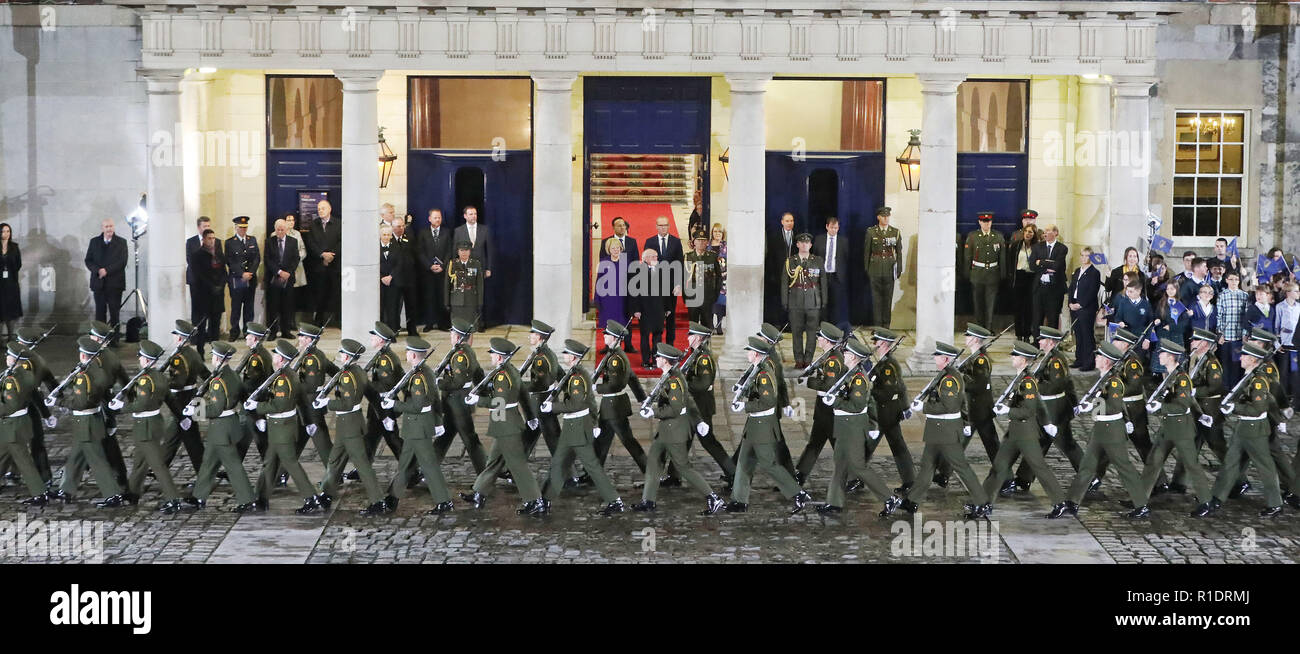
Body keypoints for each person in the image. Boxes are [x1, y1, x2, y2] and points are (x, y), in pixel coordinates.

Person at [892, 341, 991, 520]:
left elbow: (950, 406)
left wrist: (923, 407)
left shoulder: (950, 379)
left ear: (945, 359)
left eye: (937, 356)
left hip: (946, 431)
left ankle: (982, 503)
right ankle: (912, 500)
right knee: (927, 466)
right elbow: (961, 404)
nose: (935, 359)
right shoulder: (945, 375)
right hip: (937, 430)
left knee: (961, 467)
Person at [1058, 342, 1151, 519]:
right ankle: (1072, 502)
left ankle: (1141, 504)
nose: (1096, 358)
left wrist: (1093, 406)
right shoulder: (1104, 378)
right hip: (1100, 429)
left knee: (1124, 467)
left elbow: (1114, 405)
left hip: (1112, 430)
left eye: (1099, 356)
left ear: (1107, 361)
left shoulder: (1114, 382)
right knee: (1086, 466)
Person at [981, 340, 1070, 519]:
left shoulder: (1028, 382)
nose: (1012, 357)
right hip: (1015, 432)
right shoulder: (1021, 377)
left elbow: (1029, 410)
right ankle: (982, 503)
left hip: (1025, 432)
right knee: (998, 467)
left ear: (1023, 360)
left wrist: (1008, 411)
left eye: (1016, 355)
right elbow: (1040, 403)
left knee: (1039, 467)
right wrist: (1047, 423)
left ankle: (1060, 502)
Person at [724, 337, 812, 514]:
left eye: (749, 351)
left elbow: (768, 402)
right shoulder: (758, 369)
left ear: (756, 354)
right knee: (744, 461)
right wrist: (742, 390)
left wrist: (744, 406)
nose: (747, 354)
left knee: (768, 464)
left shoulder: (764, 375)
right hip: (754, 424)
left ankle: (798, 494)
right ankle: (739, 500)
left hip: (761, 425)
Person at [633, 343, 723, 515]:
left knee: (683, 467)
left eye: (659, 357)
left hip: (674, 430)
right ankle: (648, 500)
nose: (656, 359)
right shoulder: (671, 376)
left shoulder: (674, 381)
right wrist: (698, 420)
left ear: (665, 360)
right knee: (653, 461)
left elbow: (675, 409)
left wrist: (653, 411)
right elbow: (688, 399)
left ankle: (713, 497)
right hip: (666, 430)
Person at [538, 338, 625, 515]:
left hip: (577, 427)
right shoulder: (573, 374)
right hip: (572, 427)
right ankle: (545, 500)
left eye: (567, 353)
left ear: (574, 357)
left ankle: (614, 500)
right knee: (558, 463)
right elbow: (591, 402)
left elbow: (577, 405)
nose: (564, 356)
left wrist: (553, 407)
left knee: (591, 466)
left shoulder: (577, 378)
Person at [814, 337, 900, 516]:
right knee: (840, 465)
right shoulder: (849, 373)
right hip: (844, 426)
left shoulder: (859, 379)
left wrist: (834, 401)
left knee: (859, 466)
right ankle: (834, 502)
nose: (843, 355)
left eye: (846, 353)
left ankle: (889, 498)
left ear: (853, 357)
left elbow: (857, 406)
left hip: (853, 427)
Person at [242, 339, 328, 514]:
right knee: (269, 463)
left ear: (281, 359)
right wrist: (308, 421)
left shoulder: (283, 380)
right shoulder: (286, 374)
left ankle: (311, 498)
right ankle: (260, 498)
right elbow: (303, 402)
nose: (273, 356)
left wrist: (256, 407)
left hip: (282, 428)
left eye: (276, 354)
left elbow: (278, 406)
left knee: (290, 464)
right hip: (278, 428)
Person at [461, 338, 546, 515]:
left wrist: (479, 400)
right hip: (504, 422)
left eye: (493, 354)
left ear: (499, 357)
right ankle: (479, 493)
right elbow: (523, 393)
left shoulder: (501, 376)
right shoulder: (511, 371)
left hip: (507, 424)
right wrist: (530, 416)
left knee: (517, 465)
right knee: (493, 462)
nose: (491, 357)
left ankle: (535, 501)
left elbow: (499, 402)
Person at [44, 337, 127, 508]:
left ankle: (113, 494)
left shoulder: (84, 377)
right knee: (76, 457)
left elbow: (80, 404)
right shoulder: (97, 371)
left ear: (84, 355)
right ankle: (66, 489)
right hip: (93, 420)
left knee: (97, 460)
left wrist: (58, 402)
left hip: (85, 421)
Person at [1207, 342, 1287, 517]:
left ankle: (1275, 504)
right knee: (1230, 463)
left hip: (1255, 429)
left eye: (1244, 356)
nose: (1240, 358)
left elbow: (1258, 408)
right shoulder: (1249, 376)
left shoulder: (1258, 381)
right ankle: (1216, 498)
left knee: (1265, 467)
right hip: (1243, 427)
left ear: (1252, 359)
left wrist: (1235, 408)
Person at [312, 339, 387, 516]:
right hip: (348, 424)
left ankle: (378, 501)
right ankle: (326, 493)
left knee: (362, 465)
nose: (340, 356)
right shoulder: (358, 371)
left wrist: (327, 402)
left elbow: (348, 402)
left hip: (350, 425)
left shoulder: (347, 376)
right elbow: (371, 394)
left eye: (342, 353)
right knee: (334, 460)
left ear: (347, 355)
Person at [1140, 339, 1215, 518]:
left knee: (1192, 465)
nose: (1159, 355)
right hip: (1168, 426)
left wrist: (1160, 408)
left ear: (1171, 357)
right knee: (1153, 461)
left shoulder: (1181, 379)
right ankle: (1139, 501)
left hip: (1181, 427)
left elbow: (1182, 404)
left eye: (1162, 353)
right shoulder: (1170, 374)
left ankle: (1206, 501)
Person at [111, 340, 188, 514]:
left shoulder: (146, 380)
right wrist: (181, 416)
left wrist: (120, 408)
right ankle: (132, 492)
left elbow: (141, 405)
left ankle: (173, 498)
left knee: (157, 465)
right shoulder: (159, 376)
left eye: (141, 357)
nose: (139, 360)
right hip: (152, 423)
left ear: (146, 360)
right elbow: (170, 399)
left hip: (146, 425)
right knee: (140, 461)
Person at [382, 336, 454, 515]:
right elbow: (435, 399)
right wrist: (438, 422)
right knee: (405, 466)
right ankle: (391, 498)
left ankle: (444, 501)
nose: (405, 354)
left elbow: (419, 405)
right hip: (415, 428)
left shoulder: (418, 378)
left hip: (418, 428)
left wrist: (394, 405)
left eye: (407, 352)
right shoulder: (424, 372)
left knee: (428, 466)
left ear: (413, 355)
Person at [590, 321, 649, 474]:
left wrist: (596, 387)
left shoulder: (617, 359)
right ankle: (592, 472)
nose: (604, 336)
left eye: (608, 335)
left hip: (615, 406)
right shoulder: (612, 354)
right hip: (609, 405)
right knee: (601, 440)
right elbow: (632, 377)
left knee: (628, 440)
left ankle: (649, 469)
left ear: (615, 339)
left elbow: (615, 385)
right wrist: (642, 397)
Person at [433, 320, 488, 475]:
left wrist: (439, 382)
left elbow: (458, 382)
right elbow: (478, 373)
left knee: (470, 439)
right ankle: (426, 470)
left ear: (457, 337)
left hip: (457, 402)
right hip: (455, 402)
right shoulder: (466, 351)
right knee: (444, 437)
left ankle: (484, 475)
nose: (450, 336)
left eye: (452, 334)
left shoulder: (460, 355)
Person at [0, 344, 52, 506]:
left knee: (24, 462)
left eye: (8, 355)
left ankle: (39, 493)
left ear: (15, 360)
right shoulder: (27, 374)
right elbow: (34, 395)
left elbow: (11, 405)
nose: (5, 357)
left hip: (12, 426)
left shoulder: (12, 379)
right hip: (20, 424)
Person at [867, 328, 915, 492]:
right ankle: (910, 480)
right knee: (897, 445)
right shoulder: (883, 362)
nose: (874, 344)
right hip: (888, 411)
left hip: (885, 412)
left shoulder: (889, 365)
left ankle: (856, 476)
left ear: (885, 344)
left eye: (877, 342)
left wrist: (869, 392)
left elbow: (890, 390)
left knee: (869, 444)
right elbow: (901, 387)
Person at [783, 233, 827, 369]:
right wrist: (785, 301)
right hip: (795, 301)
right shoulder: (790, 261)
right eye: (801, 243)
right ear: (797, 245)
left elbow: (823, 282)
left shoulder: (817, 261)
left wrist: (824, 299)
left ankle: (808, 359)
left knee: (811, 333)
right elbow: (784, 283)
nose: (804, 245)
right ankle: (799, 359)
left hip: (813, 301)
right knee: (796, 333)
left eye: (807, 243)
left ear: (811, 245)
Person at [84, 219, 128, 344]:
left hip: (115, 284)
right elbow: (88, 260)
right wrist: (98, 270)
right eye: (106, 226)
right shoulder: (94, 242)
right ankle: (100, 339)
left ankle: (114, 340)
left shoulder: (121, 242)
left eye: (111, 226)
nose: (109, 228)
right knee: (100, 313)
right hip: (99, 283)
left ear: (114, 227)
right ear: (102, 228)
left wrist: (107, 270)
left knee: (115, 313)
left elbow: (122, 262)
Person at [643, 215, 684, 346]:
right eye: (660, 225)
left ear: (669, 226)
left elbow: (680, 264)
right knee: (657, 315)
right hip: (655, 286)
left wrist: (678, 284)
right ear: (656, 226)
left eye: (665, 225)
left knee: (671, 317)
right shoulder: (650, 241)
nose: (663, 228)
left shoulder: (676, 242)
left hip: (671, 285)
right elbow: (646, 264)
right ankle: (657, 345)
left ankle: (670, 345)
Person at [631, 248, 674, 367]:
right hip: (644, 310)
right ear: (646, 258)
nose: (656, 259)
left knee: (658, 336)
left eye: (656, 256)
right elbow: (634, 292)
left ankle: (656, 360)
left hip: (659, 309)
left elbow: (666, 290)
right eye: (654, 257)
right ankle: (645, 360)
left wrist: (668, 307)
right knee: (645, 336)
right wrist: (636, 310)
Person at [963, 211, 1006, 330]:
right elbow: (967, 256)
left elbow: (1002, 256)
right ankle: (979, 327)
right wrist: (967, 273)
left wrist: (1003, 273)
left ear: (991, 222)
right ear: (979, 222)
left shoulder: (998, 236)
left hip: (993, 273)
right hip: (977, 273)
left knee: (990, 303)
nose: (986, 224)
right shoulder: (973, 236)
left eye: (988, 222)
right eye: (983, 221)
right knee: (977, 302)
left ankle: (989, 327)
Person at [185, 216, 220, 353]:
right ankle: (197, 336)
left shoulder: (216, 242)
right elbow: (190, 261)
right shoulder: (191, 242)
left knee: (212, 312)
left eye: (208, 225)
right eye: (205, 226)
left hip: (212, 285)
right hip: (196, 282)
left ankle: (211, 338)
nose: (207, 228)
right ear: (199, 227)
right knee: (198, 311)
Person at [188, 228, 227, 348]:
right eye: (209, 238)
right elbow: (198, 275)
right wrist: (212, 286)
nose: (212, 241)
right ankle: (200, 350)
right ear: (204, 239)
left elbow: (224, 272)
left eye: (213, 238)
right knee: (201, 325)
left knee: (215, 324)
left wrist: (220, 286)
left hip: (217, 295)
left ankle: (216, 350)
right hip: (203, 296)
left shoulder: (219, 255)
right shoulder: (197, 256)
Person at [865, 206, 903, 328]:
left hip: (889, 268)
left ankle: (886, 327)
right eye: (883, 216)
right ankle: (877, 328)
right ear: (878, 217)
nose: (886, 218)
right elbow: (867, 252)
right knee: (876, 301)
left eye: (888, 216)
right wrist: (867, 268)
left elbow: (899, 252)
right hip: (875, 269)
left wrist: (899, 269)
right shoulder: (871, 231)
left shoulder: (895, 232)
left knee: (887, 300)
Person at [306, 199, 341, 327]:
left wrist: (331, 255)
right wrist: (322, 255)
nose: (320, 210)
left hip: (335, 265)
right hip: (319, 266)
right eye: (319, 208)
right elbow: (311, 243)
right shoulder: (313, 225)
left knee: (337, 293)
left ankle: (339, 320)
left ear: (329, 209)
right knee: (319, 294)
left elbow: (342, 241)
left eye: (323, 208)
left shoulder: (338, 223)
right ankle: (319, 320)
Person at [224, 215, 260, 340]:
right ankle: (234, 331)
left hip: (250, 279)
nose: (243, 230)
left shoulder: (252, 240)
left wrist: (250, 273)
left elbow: (256, 258)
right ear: (236, 228)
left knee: (249, 308)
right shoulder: (229, 242)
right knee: (236, 307)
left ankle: (248, 331)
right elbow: (230, 261)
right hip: (237, 280)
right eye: (241, 227)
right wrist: (241, 274)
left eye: (245, 227)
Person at [417, 208, 452, 331]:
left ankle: (442, 323)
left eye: (439, 217)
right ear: (429, 219)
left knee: (442, 298)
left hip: (442, 272)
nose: (438, 220)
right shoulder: (423, 233)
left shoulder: (447, 232)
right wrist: (429, 266)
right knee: (429, 297)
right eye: (435, 217)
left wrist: (442, 266)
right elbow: (420, 252)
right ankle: (429, 323)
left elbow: (449, 251)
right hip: (428, 272)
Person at [1030, 223, 1068, 337]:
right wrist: (1048, 265)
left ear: (1056, 233)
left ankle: (1051, 343)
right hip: (1040, 287)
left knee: (1053, 317)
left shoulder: (1062, 248)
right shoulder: (1037, 247)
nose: (1045, 233)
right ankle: (1037, 342)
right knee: (1037, 317)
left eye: (1048, 230)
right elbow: (1032, 265)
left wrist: (1040, 262)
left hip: (1054, 288)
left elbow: (1057, 266)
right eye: (1045, 231)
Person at [814, 216, 851, 332]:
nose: (834, 230)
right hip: (823, 276)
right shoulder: (819, 239)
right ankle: (823, 326)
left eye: (836, 228)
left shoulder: (843, 241)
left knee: (836, 302)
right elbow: (814, 256)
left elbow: (846, 258)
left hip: (836, 276)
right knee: (823, 302)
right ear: (827, 227)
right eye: (831, 227)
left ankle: (834, 328)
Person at [264, 218, 299, 340]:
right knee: (273, 307)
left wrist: (288, 272)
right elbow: (268, 260)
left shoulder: (293, 242)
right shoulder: (269, 242)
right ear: (275, 230)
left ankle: (286, 331)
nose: (280, 232)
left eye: (282, 229)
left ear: (286, 230)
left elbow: (296, 259)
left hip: (288, 280)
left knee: (287, 306)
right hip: (274, 279)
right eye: (278, 229)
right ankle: (273, 332)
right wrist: (279, 272)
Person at [1068, 246, 1102, 369]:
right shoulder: (1077, 271)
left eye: (1086, 255)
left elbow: (1093, 291)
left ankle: (1089, 362)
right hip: (1075, 306)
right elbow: (1072, 288)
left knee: (1087, 334)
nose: (1083, 258)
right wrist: (1071, 303)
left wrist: (1081, 304)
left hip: (1086, 307)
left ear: (1091, 257)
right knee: (1078, 334)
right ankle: (1079, 359)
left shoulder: (1094, 272)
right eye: (1082, 255)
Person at [389, 214, 421, 336]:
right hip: (395, 279)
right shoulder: (389, 239)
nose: (400, 228)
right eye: (397, 226)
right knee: (394, 306)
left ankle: (412, 329)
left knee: (411, 306)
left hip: (409, 279)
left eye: (402, 226)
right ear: (392, 227)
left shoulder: (409, 237)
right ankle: (394, 329)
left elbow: (415, 255)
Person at [1217, 271, 1250, 386]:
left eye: (1236, 279)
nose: (1234, 282)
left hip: (1239, 337)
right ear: (1226, 280)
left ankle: (1235, 390)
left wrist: (1245, 334)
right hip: (1226, 337)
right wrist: (1220, 333)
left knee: (1237, 365)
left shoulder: (1244, 295)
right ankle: (1226, 390)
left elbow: (1247, 316)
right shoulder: (1222, 295)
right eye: (1231, 279)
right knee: (1226, 365)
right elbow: (1219, 316)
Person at [1009, 223, 1040, 342]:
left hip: (1031, 278)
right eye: (1026, 231)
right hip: (1019, 277)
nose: (1028, 234)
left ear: (1034, 234)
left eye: (1031, 232)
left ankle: (1027, 334)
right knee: (1018, 308)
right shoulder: (1017, 245)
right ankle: (1019, 333)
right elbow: (1011, 262)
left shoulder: (1037, 247)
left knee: (1029, 308)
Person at [683, 231, 720, 329]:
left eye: (704, 241)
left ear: (707, 242)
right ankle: (694, 344)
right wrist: (685, 296)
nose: (701, 243)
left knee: (707, 325)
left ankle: (705, 344)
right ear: (694, 242)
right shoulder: (688, 257)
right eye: (698, 240)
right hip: (692, 296)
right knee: (693, 325)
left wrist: (715, 295)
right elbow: (683, 278)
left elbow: (718, 277)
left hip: (707, 296)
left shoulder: (712, 256)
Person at [766, 212, 797, 326]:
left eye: (791, 221)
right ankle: (778, 323)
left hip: (793, 275)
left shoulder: (797, 236)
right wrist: (772, 275)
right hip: (778, 273)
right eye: (787, 221)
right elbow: (771, 257)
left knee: (792, 299)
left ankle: (789, 323)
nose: (790, 223)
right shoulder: (774, 236)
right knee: (778, 299)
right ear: (782, 222)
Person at [1153, 279, 1191, 369]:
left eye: (1172, 289)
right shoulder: (1161, 303)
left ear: (1177, 290)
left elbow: (1184, 323)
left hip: (1176, 335)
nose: (1170, 291)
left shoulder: (1182, 303)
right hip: (1164, 336)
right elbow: (1157, 316)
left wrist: (1171, 326)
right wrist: (1157, 320)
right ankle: (1165, 382)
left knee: (1176, 363)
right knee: (1163, 365)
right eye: (1168, 289)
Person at [594, 237, 629, 329]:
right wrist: (597, 299)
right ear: (608, 249)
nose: (616, 250)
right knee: (608, 324)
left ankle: (618, 343)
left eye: (618, 248)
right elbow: (599, 282)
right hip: (607, 299)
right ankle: (609, 343)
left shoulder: (626, 263)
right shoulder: (603, 262)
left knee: (621, 325)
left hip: (622, 299)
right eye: (613, 248)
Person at [446, 241, 484, 325]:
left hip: (471, 300)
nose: (464, 253)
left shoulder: (476, 264)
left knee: (469, 327)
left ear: (470, 252)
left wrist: (480, 302)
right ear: (458, 251)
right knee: (456, 327)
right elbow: (447, 285)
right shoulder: (452, 264)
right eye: (461, 250)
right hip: (456, 300)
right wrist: (446, 302)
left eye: (466, 250)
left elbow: (480, 285)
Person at [452, 205, 494, 281]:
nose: (474, 216)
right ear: (465, 216)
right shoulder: (458, 231)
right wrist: (455, 268)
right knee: (467, 292)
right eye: (471, 214)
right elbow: (455, 250)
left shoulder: (485, 230)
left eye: (475, 214)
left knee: (480, 291)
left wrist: (489, 268)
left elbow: (489, 251)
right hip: (464, 268)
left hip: (481, 268)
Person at [379, 224, 407, 332]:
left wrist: (391, 276)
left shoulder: (397, 247)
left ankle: (392, 332)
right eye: (384, 234)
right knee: (380, 309)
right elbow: (374, 265)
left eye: (388, 235)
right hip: (380, 283)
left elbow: (399, 263)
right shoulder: (374, 247)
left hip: (393, 282)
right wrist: (381, 277)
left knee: (392, 308)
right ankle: (381, 333)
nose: (386, 237)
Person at [1275, 282, 1300, 404]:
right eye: (1296, 291)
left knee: (1295, 374)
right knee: (1283, 373)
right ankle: (1283, 399)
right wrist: (1276, 344)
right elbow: (1276, 327)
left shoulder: (1299, 307)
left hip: (1296, 346)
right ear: (1288, 293)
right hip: (1284, 346)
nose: (1298, 293)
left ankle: (1296, 399)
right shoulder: (1280, 307)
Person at [283, 213, 308, 330]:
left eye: (293, 220)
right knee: (284, 298)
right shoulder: (278, 233)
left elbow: (303, 249)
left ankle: (293, 322)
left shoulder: (297, 234)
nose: (291, 222)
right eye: (288, 220)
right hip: (283, 271)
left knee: (294, 298)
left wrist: (298, 258)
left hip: (296, 269)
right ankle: (284, 322)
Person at [0, 223, 22, 339]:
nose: (6, 234)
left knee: (11, 310)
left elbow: (18, 264)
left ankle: (10, 337)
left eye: (8, 231)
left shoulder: (14, 247)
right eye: (3, 231)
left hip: (11, 282)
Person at [708, 223, 728, 334]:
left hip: (722, 278)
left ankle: (719, 325)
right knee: (710, 302)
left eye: (719, 232)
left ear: (723, 233)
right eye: (715, 231)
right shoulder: (708, 245)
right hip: (710, 278)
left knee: (720, 302)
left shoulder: (726, 246)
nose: (717, 234)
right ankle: (710, 324)